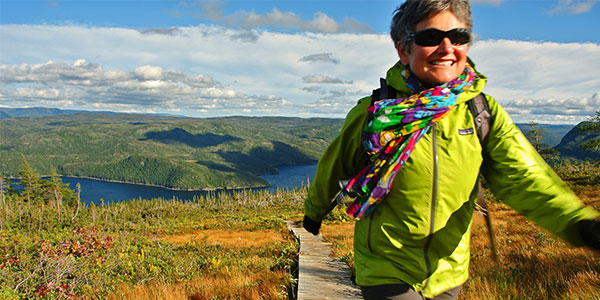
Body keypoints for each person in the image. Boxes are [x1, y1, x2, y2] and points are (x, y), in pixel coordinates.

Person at [302, 0, 600, 299]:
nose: (447, 48)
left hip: (448, 271)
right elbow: (334, 168)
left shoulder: (481, 111)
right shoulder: (375, 113)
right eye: (430, 38)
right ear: (404, 50)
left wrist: (578, 222)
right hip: (386, 266)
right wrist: (315, 213)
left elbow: (524, 177)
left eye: (458, 36)